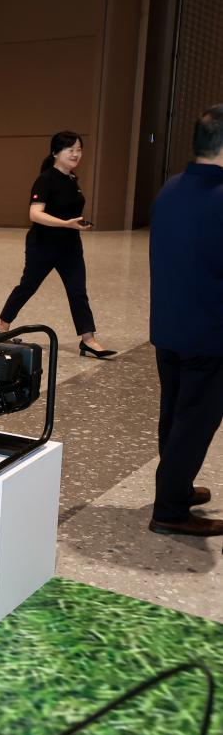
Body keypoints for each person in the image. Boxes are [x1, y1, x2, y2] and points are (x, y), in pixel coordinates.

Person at [146, 104, 223, 538]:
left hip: (170, 325)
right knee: (195, 423)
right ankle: (171, 511)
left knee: (175, 414)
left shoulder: (171, 188)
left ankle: (175, 486)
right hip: (209, 332)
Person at [0, 131, 114, 357]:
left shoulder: (72, 179)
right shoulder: (46, 179)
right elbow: (35, 214)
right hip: (43, 245)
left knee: (78, 291)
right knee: (28, 286)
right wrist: (65, 224)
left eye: (79, 149)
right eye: (70, 149)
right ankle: (2, 324)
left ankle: (88, 340)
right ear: (55, 153)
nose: (76, 154)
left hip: (70, 246)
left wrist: (74, 225)